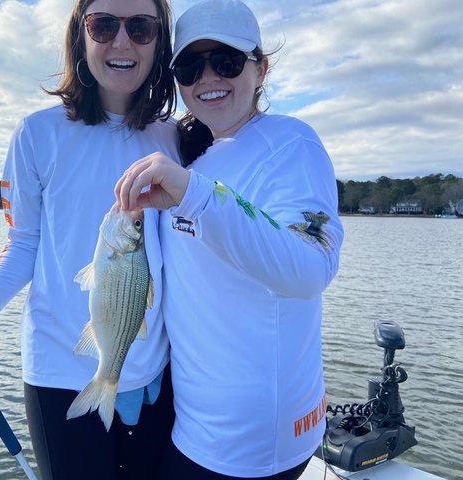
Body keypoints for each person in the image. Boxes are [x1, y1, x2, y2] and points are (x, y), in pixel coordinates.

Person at [0, 1, 179, 479]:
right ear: (80, 34)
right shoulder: (37, 134)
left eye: (141, 27)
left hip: (159, 377)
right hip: (60, 374)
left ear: (160, 41)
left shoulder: (174, 139)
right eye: (103, 25)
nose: (121, 42)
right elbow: (23, 244)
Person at [115, 1, 345, 479]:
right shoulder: (198, 158)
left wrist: (194, 195)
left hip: (251, 445)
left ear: (261, 69)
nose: (207, 78)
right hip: (193, 424)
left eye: (227, 61)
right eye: (190, 66)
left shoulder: (291, 144)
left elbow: (310, 268)